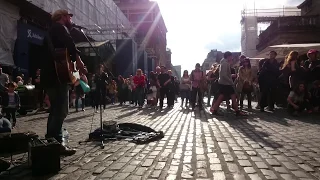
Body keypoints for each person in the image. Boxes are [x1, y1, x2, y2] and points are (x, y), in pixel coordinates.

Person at [41, 9, 85, 155]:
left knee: (55, 110)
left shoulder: (51, 31)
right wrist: (78, 61)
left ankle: (52, 142)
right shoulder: (60, 28)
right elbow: (70, 43)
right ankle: (55, 142)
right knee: (61, 110)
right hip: (57, 77)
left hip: (50, 76)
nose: (70, 19)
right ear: (62, 17)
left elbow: (62, 51)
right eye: (68, 17)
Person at [210, 51, 246, 116]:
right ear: (228, 56)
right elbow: (224, 75)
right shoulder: (225, 63)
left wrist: (230, 77)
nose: (232, 58)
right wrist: (230, 81)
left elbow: (224, 74)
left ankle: (215, 110)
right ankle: (237, 111)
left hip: (224, 83)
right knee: (233, 96)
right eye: (231, 56)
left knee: (221, 97)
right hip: (226, 83)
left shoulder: (224, 63)